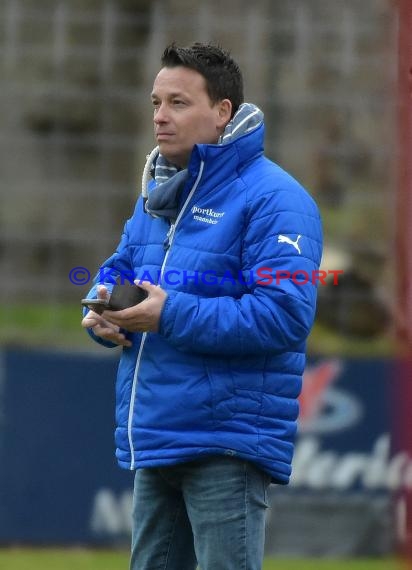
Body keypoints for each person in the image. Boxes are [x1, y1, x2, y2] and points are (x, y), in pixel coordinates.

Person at [82, 42, 322, 570]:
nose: (160, 118)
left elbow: (284, 315)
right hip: (156, 436)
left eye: (178, 103)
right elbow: (118, 268)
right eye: (155, 103)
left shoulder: (277, 199)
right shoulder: (159, 193)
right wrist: (100, 309)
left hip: (225, 443)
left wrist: (168, 314)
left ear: (222, 112)